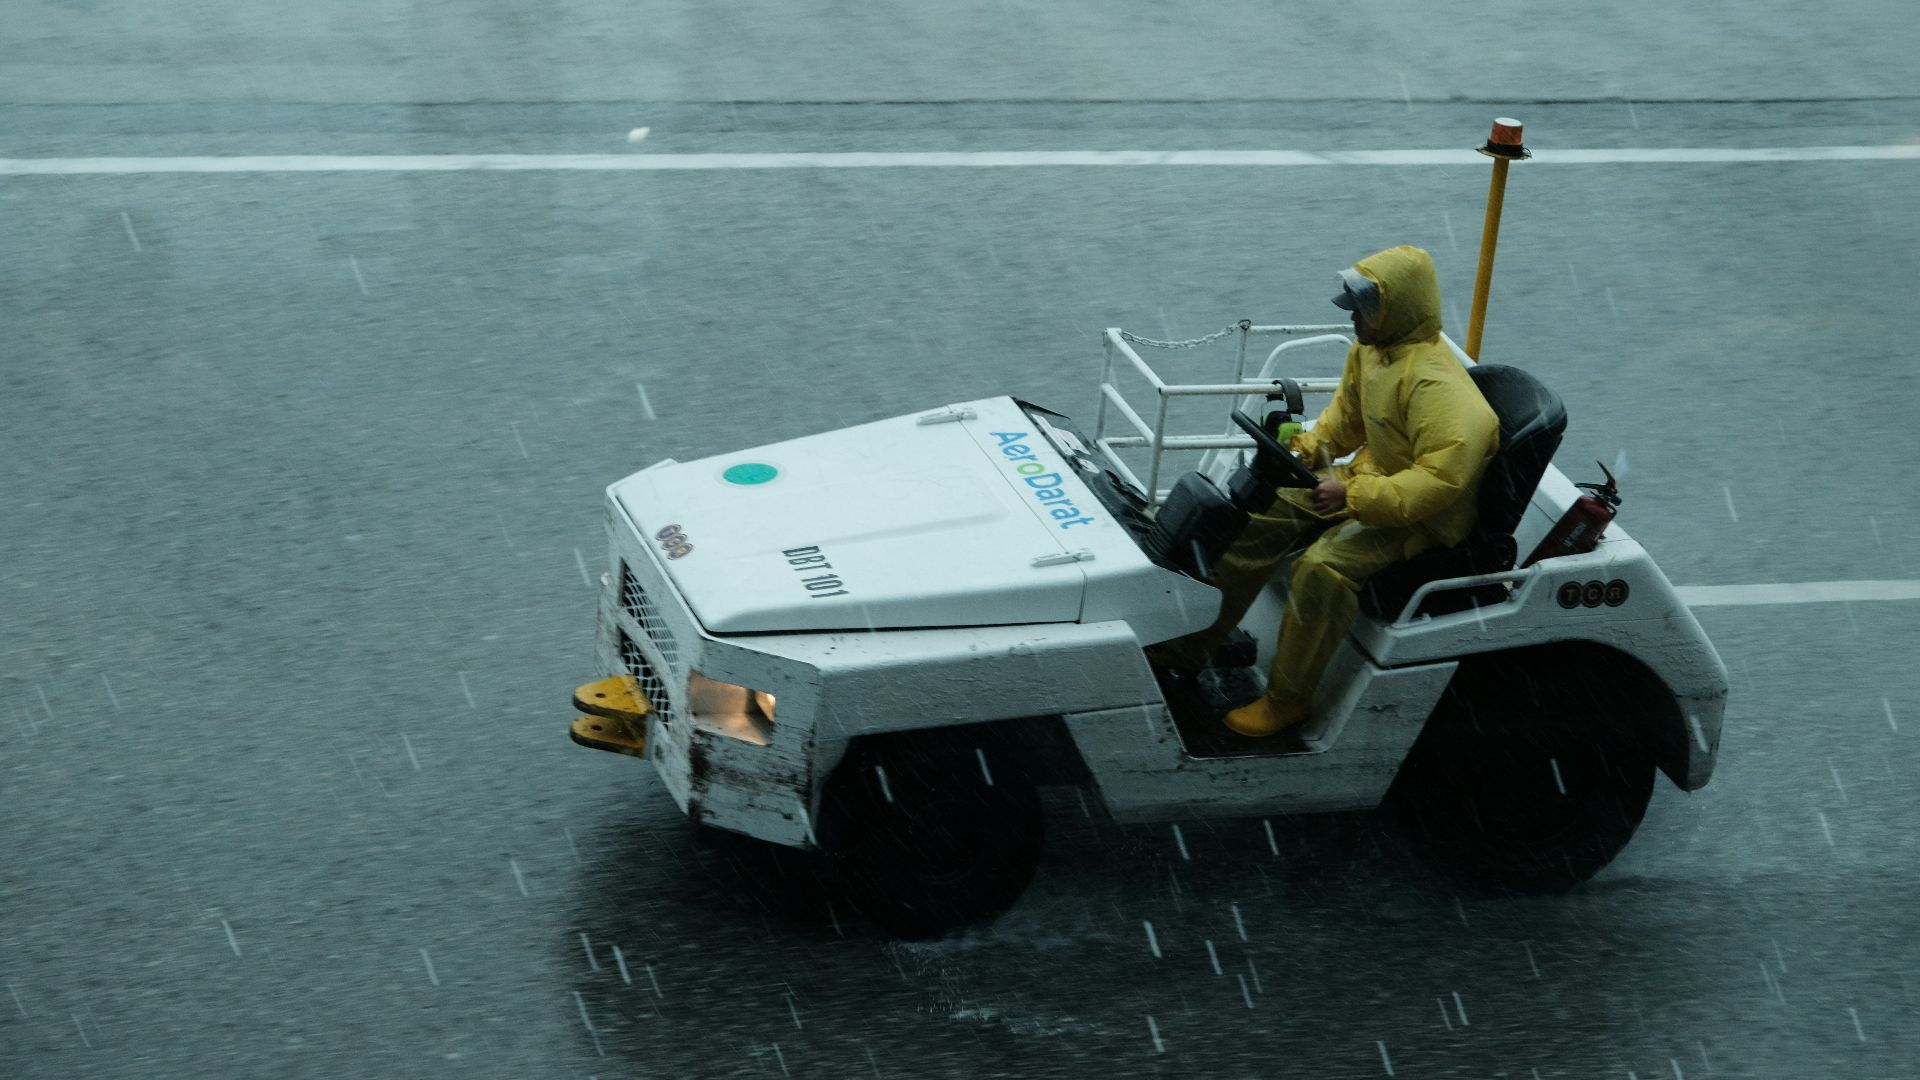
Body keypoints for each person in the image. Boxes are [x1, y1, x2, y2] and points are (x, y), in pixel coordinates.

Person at [1147, 246, 1500, 741]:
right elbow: (1347, 421)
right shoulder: (1373, 351)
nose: (1353, 315)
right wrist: (1313, 447)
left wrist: (1352, 499)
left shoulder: (1441, 390)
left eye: (1364, 307)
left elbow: (1439, 483)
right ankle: (1190, 645)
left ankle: (1287, 702)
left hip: (1423, 520)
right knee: (1255, 515)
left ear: (1397, 310)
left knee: (1322, 570)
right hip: (1371, 482)